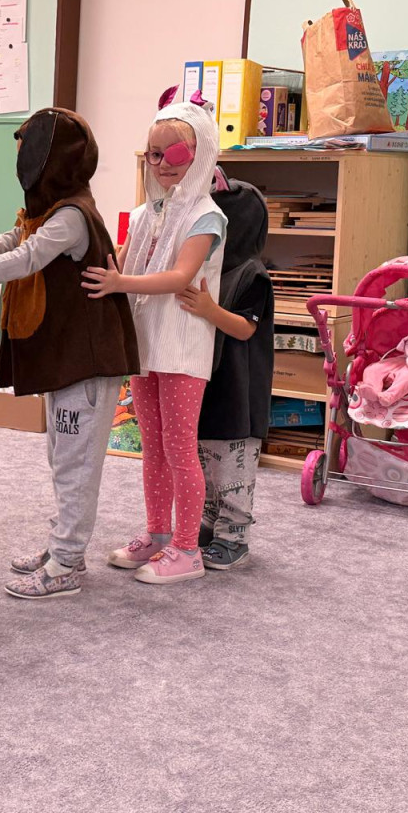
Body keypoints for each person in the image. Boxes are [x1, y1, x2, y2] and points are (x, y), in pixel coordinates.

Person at [0, 108, 140, 600]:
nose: (19, 159)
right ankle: (64, 547)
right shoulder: (49, 212)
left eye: (25, 150)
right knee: (63, 456)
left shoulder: (72, 217)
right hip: (68, 357)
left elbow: (26, 258)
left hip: (88, 360)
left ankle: (67, 563)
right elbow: (11, 241)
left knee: (76, 464)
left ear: (46, 157)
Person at [83, 93, 226, 585]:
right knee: (154, 448)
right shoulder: (146, 214)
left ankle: (187, 549)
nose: (163, 164)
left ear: (201, 153)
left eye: (176, 153)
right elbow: (122, 261)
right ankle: (159, 533)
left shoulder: (207, 216)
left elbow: (180, 276)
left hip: (183, 347)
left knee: (180, 448)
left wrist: (119, 282)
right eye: (154, 154)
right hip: (146, 345)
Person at [182, 177, 273, 570]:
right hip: (209, 380)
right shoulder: (210, 269)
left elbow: (245, 328)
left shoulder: (253, 275)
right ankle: (210, 521)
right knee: (205, 459)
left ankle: (234, 535)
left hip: (240, 390)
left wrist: (209, 310)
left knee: (232, 467)